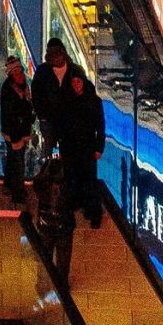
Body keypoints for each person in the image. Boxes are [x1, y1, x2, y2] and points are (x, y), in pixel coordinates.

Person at [53, 71, 107, 228]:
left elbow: (101, 126)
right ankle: (75, 207)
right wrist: (61, 147)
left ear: (83, 82)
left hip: (87, 146)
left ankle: (93, 213)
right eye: (74, 82)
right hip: (70, 147)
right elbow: (61, 127)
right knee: (72, 179)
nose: (76, 85)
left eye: (79, 81)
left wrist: (99, 147)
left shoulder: (94, 101)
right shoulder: (66, 101)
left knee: (89, 180)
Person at [31, 38, 87, 152]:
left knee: (69, 150)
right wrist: (42, 116)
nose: (55, 58)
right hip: (48, 120)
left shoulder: (75, 71)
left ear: (63, 54)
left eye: (57, 54)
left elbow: (85, 93)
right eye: (52, 55)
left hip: (69, 120)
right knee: (48, 152)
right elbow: (36, 95)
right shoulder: (42, 71)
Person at [30, 154, 75, 286]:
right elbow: (76, 202)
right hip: (65, 226)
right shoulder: (68, 187)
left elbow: (36, 181)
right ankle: (62, 287)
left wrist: (46, 167)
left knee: (44, 256)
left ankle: (43, 283)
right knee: (63, 259)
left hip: (45, 225)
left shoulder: (41, 185)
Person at [0, 57, 36, 203]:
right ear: (11, 73)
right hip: (15, 133)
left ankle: (8, 185)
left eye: (20, 70)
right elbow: (10, 115)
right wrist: (16, 138)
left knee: (13, 159)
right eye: (16, 71)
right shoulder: (10, 89)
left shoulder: (21, 85)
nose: (20, 73)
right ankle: (18, 193)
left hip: (20, 131)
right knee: (18, 163)